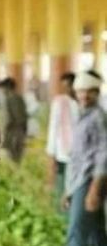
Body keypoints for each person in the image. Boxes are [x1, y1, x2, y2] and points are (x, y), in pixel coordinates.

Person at [63, 70, 107, 246]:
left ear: (97, 92)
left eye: (90, 92)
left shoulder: (98, 116)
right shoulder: (82, 113)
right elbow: (78, 156)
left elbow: (102, 154)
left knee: (77, 230)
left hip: (89, 180)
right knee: (96, 230)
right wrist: (68, 190)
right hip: (79, 180)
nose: (84, 95)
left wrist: (95, 189)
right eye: (81, 91)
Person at [46, 72, 78, 210]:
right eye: (65, 86)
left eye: (70, 85)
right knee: (62, 184)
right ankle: (61, 214)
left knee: (75, 185)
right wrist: (51, 154)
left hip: (80, 152)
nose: (68, 89)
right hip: (63, 152)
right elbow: (53, 127)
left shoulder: (81, 101)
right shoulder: (59, 102)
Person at [0, 77, 28, 163]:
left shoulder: (10, 99)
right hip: (19, 131)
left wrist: (2, 134)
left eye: (2, 88)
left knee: (13, 157)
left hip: (13, 133)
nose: (2, 91)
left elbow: (8, 119)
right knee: (17, 157)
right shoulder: (19, 97)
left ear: (7, 87)